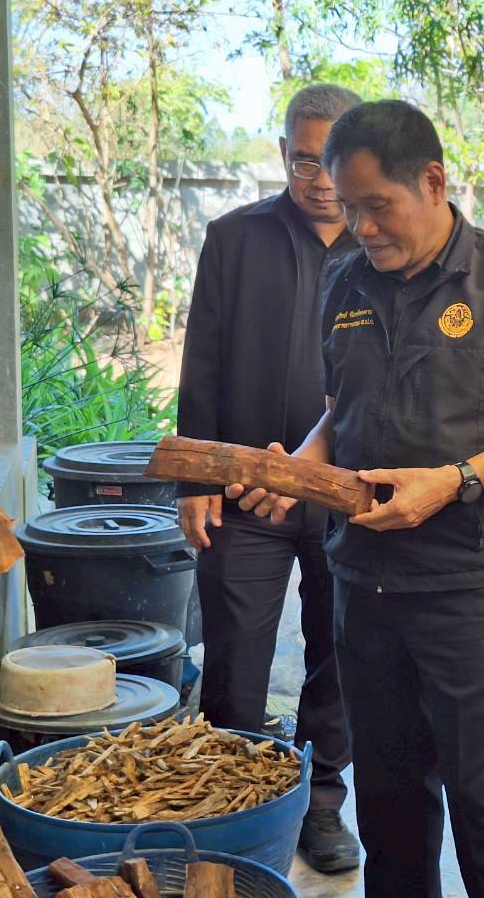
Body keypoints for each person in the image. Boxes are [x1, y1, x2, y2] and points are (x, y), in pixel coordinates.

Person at [227, 99, 484, 898]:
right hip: (362, 582)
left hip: (467, 586)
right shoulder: (345, 279)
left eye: (377, 206)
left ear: (432, 182)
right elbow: (342, 412)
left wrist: (455, 480)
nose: (361, 227)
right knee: (388, 802)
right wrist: (298, 468)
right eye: (349, 208)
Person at [175, 83, 362, 873]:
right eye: (304, 161)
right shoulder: (235, 237)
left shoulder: (383, 244)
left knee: (338, 653)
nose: (319, 180)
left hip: (345, 495)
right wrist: (195, 480)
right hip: (242, 493)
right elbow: (202, 362)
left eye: (333, 163)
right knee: (235, 659)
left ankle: (322, 803)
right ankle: (232, 809)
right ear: (283, 152)